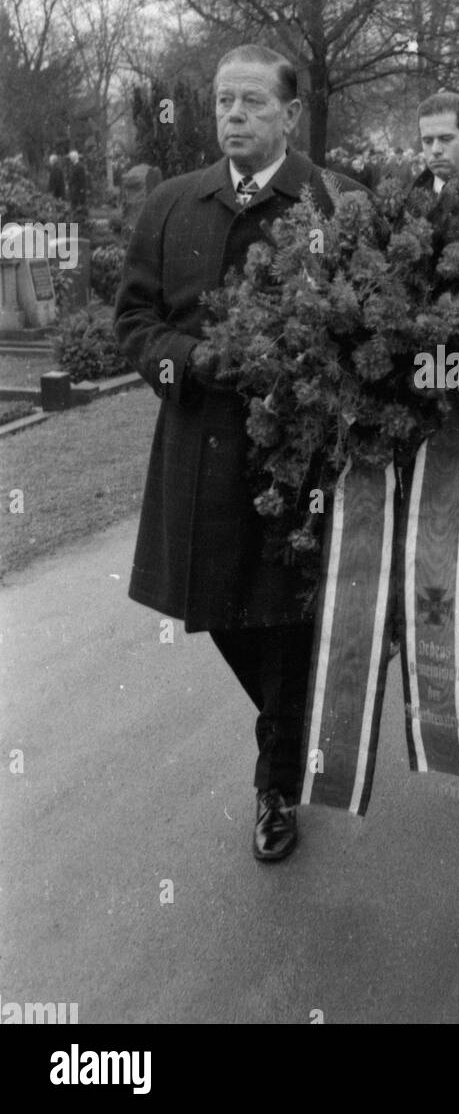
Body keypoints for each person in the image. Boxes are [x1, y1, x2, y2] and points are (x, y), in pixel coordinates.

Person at [114, 45, 358, 864]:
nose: (235, 117)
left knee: (288, 615)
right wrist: (189, 361)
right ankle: (292, 733)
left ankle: (274, 784)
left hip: (304, 456)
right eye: (224, 102)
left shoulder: (334, 202)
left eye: (254, 102)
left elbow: (375, 323)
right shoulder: (174, 206)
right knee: (221, 610)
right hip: (202, 448)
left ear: (291, 114)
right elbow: (135, 321)